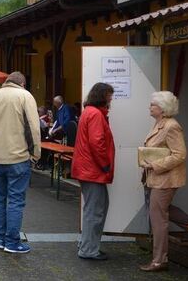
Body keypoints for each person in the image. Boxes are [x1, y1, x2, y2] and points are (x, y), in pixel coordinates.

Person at [0, 71, 41, 254]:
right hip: (18, 158)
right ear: (22, 83)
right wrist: (35, 154)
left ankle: (0, 239)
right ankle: (12, 242)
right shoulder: (24, 96)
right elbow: (33, 129)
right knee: (15, 200)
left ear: (6, 82)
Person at [139, 91, 188, 272]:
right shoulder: (160, 123)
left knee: (158, 219)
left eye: (153, 104)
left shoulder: (171, 126)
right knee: (160, 212)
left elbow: (180, 154)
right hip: (157, 178)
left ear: (162, 108)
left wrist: (155, 164)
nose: (149, 107)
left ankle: (159, 260)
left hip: (165, 179)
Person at [72, 82, 115, 261]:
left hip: (87, 168)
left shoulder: (88, 112)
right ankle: (89, 250)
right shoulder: (96, 114)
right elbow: (97, 142)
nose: (111, 98)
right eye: (109, 95)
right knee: (95, 211)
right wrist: (105, 165)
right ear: (102, 95)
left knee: (96, 208)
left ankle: (87, 245)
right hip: (93, 170)